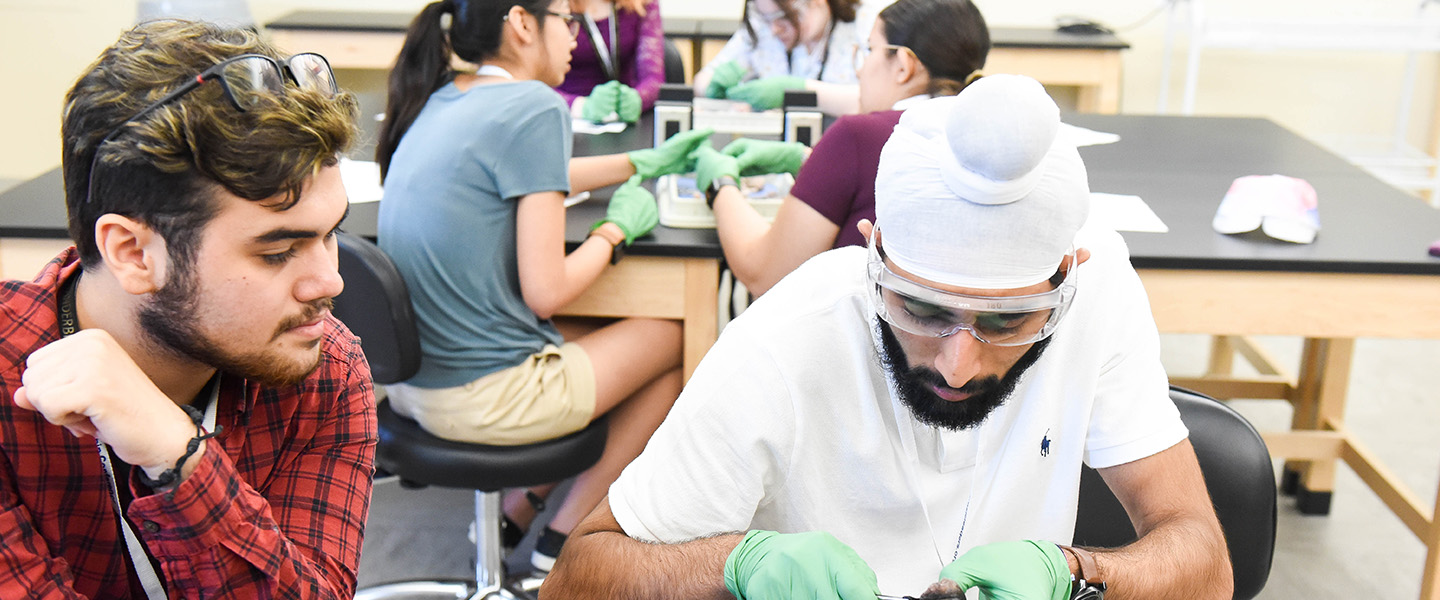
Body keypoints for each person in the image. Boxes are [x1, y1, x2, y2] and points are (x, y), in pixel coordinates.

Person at [542, 75, 1234, 599]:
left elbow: (1207, 563)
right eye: (924, 313)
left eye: (1008, 323)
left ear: (1067, 278)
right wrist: (734, 564)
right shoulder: (787, 341)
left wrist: (1078, 571)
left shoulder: (1100, 288)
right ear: (873, 261)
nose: (960, 366)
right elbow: (574, 578)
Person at [0, 20, 375, 599]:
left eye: (331, 234)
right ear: (133, 253)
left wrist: (177, 454)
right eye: (278, 251)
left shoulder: (327, 367)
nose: (331, 281)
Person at [375, 0, 711, 573]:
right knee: (681, 345)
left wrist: (639, 163)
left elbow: (535, 175)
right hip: (482, 398)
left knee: (615, 337)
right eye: (567, 19)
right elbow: (546, 294)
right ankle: (565, 541)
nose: (577, 36)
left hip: (413, 384)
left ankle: (521, 511)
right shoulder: (533, 104)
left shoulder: (447, 94)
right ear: (522, 23)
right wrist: (614, 232)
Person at [702, 0, 989, 296]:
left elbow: (765, 275)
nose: (861, 69)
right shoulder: (990, 137)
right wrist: (809, 161)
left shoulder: (856, 137)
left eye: (869, 50)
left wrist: (720, 184)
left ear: (903, 66)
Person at [694, 0, 864, 115]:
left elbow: (871, 103)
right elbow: (703, 79)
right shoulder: (762, 29)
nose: (774, 29)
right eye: (766, 17)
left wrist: (801, 90)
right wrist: (714, 87)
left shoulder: (863, 28)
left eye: (783, 17)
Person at [558, 0, 665, 124]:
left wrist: (639, 99)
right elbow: (534, 82)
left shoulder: (643, 4)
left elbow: (654, 78)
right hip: (567, 118)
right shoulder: (552, 5)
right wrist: (579, 106)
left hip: (624, 120)